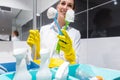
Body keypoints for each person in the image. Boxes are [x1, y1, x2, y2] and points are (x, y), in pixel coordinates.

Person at [27, 0, 81, 68]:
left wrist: (70, 53)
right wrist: (34, 49)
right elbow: (36, 59)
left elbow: (76, 64)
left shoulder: (75, 34)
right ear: (57, 6)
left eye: (69, 5)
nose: (65, 7)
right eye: (63, 3)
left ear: (73, 11)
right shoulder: (44, 30)